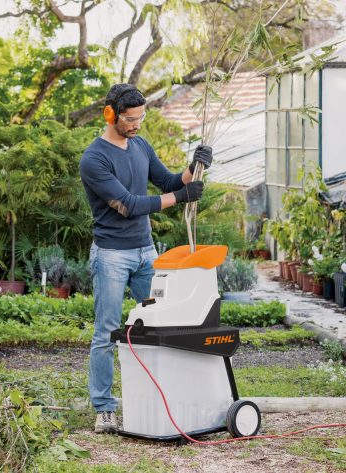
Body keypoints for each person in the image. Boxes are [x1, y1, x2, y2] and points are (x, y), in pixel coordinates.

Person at [79, 84, 213, 433]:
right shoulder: (94, 159)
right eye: (130, 119)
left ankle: (162, 396)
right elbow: (128, 205)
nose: (137, 125)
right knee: (108, 331)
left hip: (145, 251)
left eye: (141, 118)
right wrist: (179, 197)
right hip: (111, 255)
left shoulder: (140, 145)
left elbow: (168, 180)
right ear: (111, 114)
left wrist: (193, 168)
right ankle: (105, 408)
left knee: (160, 323)